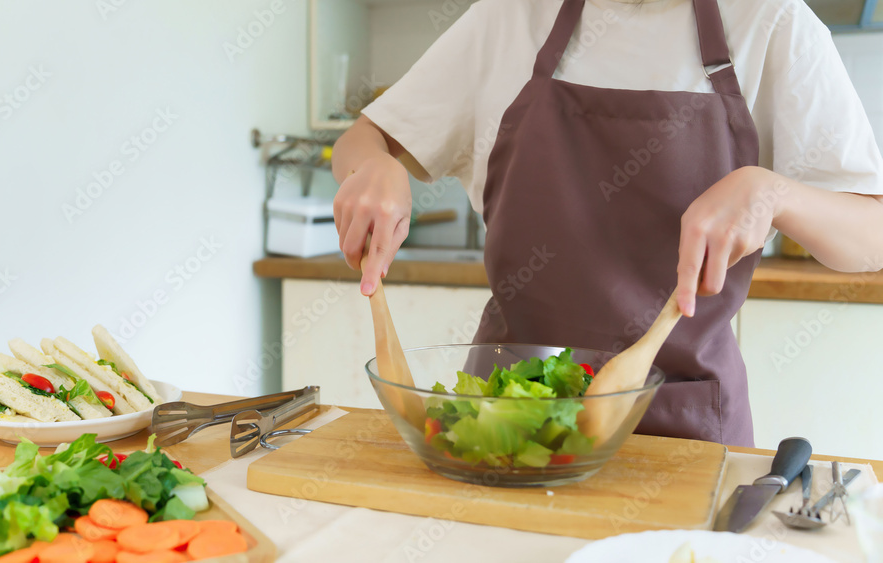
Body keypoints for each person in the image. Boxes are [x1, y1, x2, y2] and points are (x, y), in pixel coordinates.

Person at [330, 0, 883, 446]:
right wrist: (373, 162)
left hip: (682, 428)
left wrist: (773, 193)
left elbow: (870, 236)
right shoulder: (510, 17)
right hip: (503, 419)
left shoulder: (773, 23)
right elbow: (364, 139)